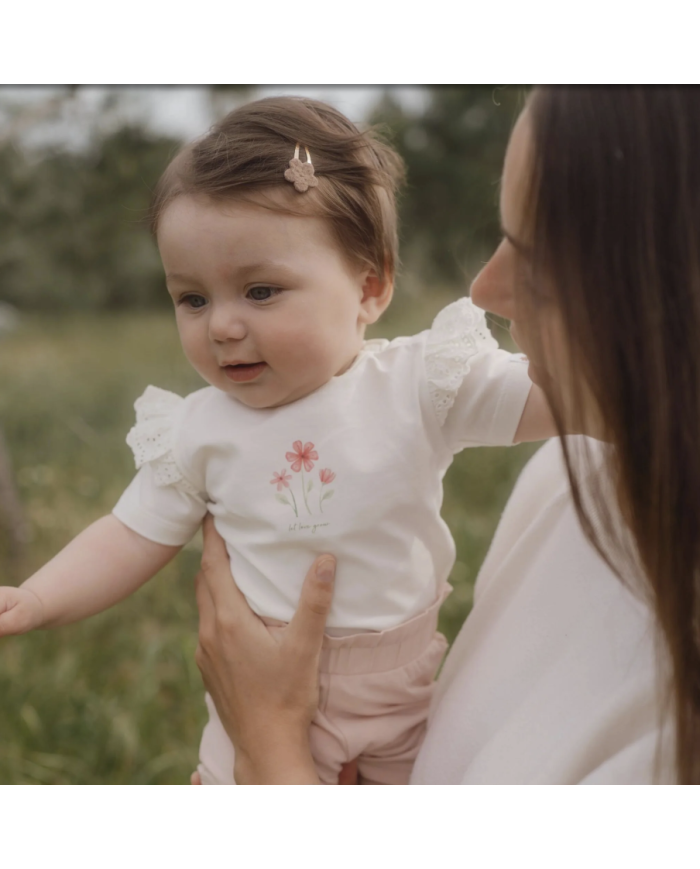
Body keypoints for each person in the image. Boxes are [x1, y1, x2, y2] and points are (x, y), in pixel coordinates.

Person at [0, 96, 555, 785]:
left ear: (370, 287)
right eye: (193, 298)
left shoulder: (417, 384)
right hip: (255, 682)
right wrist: (38, 598)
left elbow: (568, 398)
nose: (222, 326)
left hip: (402, 691)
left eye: (260, 291)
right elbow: (129, 533)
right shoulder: (200, 429)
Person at [190, 86, 700, 785]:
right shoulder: (572, 472)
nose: (485, 288)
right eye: (191, 297)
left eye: (545, 257)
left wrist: (269, 746)